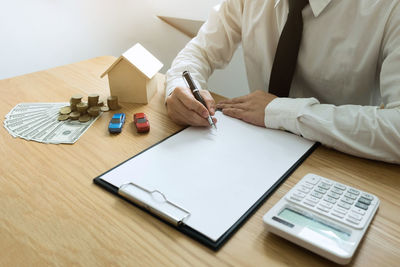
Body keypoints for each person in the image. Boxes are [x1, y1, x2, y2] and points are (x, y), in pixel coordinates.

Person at [165, 0, 400, 164]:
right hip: (256, 150)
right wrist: (179, 85)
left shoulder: (390, 8)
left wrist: (280, 112)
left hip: (340, 161)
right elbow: (199, 52)